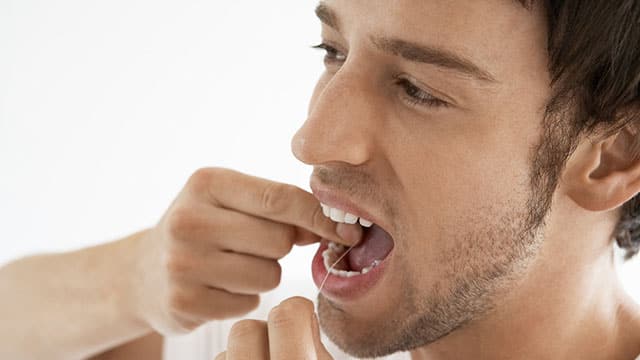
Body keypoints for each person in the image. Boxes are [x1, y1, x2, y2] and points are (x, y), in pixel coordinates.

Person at [2, 0, 640, 359]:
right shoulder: (271, 334)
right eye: (332, 52)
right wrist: (134, 279)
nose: (312, 138)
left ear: (609, 159)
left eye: (418, 89)